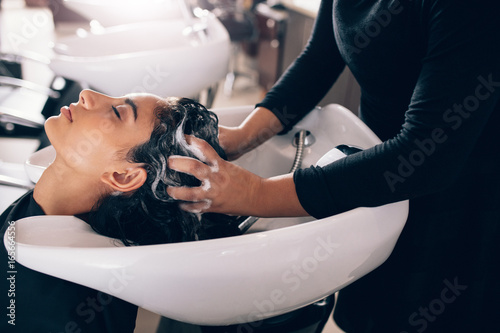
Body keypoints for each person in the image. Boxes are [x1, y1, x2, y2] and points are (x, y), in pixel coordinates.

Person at [166, 0, 500, 332]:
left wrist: (257, 193)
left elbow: (429, 157)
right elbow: (319, 59)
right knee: (369, 303)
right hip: (372, 171)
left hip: (456, 192)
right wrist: (244, 137)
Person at [1, 89, 239, 332]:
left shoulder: (71, 315)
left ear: (123, 177)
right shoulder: (45, 210)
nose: (87, 94)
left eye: (117, 112)